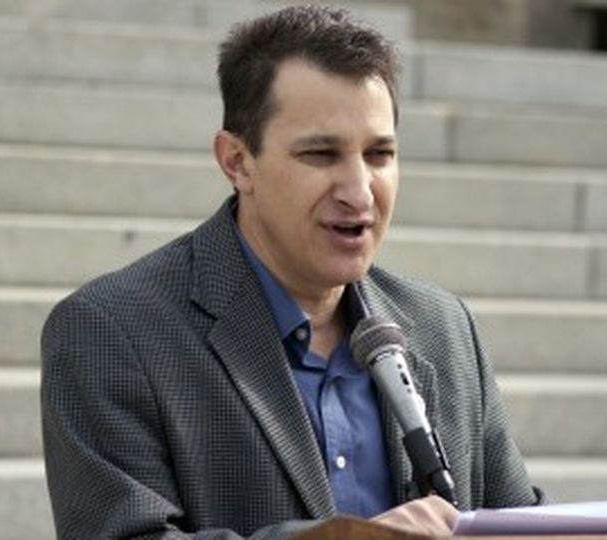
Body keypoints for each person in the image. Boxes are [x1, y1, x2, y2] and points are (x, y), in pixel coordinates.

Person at [40, 5, 544, 539]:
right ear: (237, 162)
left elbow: (518, 523)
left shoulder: (446, 328)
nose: (359, 191)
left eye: (379, 154)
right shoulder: (111, 331)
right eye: (321, 154)